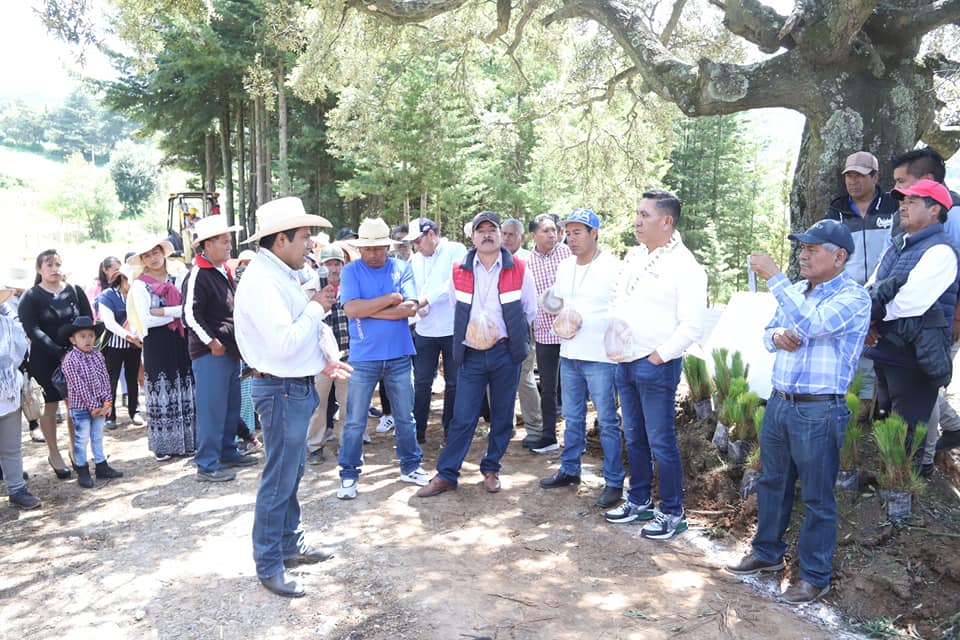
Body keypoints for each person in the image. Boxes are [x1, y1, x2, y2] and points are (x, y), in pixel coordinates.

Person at [727, 219, 871, 605]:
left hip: (819, 409)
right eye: (802, 247)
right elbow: (769, 331)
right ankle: (767, 554)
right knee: (772, 482)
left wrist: (775, 278)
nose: (803, 254)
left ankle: (814, 576)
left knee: (817, 496)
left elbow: (816, 324)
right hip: (781, 402)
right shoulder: (797, 291)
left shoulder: (854, 298)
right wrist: (775, 337)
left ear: (839, 257)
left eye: (813, 248)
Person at [235, 197, 349, 598]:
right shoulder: (263, 282)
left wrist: (321, 360)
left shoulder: (279, 274)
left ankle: (288, 543)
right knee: (280, 477)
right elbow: (283, 344)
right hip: (281, 388)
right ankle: (269, 562)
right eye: (304, 237)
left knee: (291, 471)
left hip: (291, 386)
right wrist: (317, 308)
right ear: (280, 239)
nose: (311, 245)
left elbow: (290, 340)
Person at [603, 190, 706, 540]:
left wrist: (659, 356)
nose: (637, 221)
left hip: (655, 364)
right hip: (626, 362)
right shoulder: (634, 257)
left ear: (666, 221)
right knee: (633, 435)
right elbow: (620, 299)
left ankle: (673, 511)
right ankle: (640, 499)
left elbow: (692, 325)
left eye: (645, 215)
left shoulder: (685, 266)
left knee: (661, 440)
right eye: (636, 213)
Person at [417, 211, 537, 497]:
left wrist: (507, 340)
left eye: (491, 230)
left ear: (500, 235)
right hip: (471, 354)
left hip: (505, 353)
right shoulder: (459, 269)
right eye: (480, 230)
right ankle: (447, 474)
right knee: (463, 416)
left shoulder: (519, 268)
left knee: (503, 415)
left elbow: (529, 310)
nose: (486, 234)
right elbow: (456, 308)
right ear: (472, 237)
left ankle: (491, 468)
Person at [863, 180, 960, 471]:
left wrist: (870, 317)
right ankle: (892, 492)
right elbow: (871, 287)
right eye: (902, 201)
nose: (903, 206)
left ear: (935, 211)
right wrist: (866, 318)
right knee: (890, 422)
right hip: (888, 348)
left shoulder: (941, 250)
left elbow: (910, 302)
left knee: (908, 432)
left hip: (915, 355)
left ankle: (906, 499)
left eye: (913, 201)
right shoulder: (898, 245)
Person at [336, 217, 429, 499]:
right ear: (360, 249)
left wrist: (368, 309)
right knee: (354, 420)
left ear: (386, 247)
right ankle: (349, 474)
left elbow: (410, 308)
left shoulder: (402, 266)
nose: (374, 254)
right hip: (364, 357)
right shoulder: (351, 271)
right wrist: (390, 298)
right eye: (369, 249)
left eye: (379, 248)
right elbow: (350, 309)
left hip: (400, 354)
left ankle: (410, 465)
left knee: (405, 417)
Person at [539, 208, 625, 508]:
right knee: (573, 417)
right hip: (570, 352)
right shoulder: (565, 266)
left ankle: (614, 482)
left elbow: (623, 307)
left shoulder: (613, 266)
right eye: (568, 232)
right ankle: (570, 469)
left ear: (594, 233)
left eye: (578, 232)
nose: (570, 239)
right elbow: (557, 301)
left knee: (608, 421)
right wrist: (554, 309)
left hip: (601, 356)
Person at [890, 148, 960, 462]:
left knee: (927, 385)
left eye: (906, 185)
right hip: (906, 330)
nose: (903, 198)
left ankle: (922, 463)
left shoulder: (953, 220)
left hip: (936, 325)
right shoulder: (909, 224)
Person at [182, 215, 258, 482]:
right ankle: (206, 464)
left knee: (229, 406)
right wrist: (210, 342)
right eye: (224, 241)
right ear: (208, 244)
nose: (229, 246)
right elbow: (190, 315)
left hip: (228, 351)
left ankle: (227, 451)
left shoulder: (223, 271)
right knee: (212, 409)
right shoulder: (198, 275)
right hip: (210, 353)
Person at [824, 151, 899, 418]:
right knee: (852, 356)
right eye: (849, 176)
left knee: (885, 358)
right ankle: (852, 416)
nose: (853, 182)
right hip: (849, 298)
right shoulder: (837, 210)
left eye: (860, 175)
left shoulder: (893, 206)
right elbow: (829, 256)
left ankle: (879, 415)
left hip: (888, 297)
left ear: (875, 177)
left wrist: (876, 309)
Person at [18, 249, 93, 479]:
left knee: (76, 406)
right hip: (45, 358)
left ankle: (76, 451)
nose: (54, 269)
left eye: (58, 264)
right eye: (49, 265)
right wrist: (59, 353)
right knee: (50, 406)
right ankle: (54, 454)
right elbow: (32, 330)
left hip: (76, 357)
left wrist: (81, 350)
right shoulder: (31, 296)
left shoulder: (74, 290)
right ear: (39, 269)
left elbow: (88, 320)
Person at [127, 237, 196, 461]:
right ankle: (164, 445)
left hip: (180, 338)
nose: (153, 258)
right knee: (162, 390)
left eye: (155, 252)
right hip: (156, 342)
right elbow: (147, 319)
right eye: (147, 255)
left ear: (162, 253)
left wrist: (164, 311)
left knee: (184, 385)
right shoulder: (140, 284)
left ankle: (187, 440)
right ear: (143, 260)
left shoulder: (178, 276)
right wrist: (176, 312)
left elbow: (190, 307)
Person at [408, 217, 467, 443]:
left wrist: (425, 300)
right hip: (425, 329)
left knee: (453, 381)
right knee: (421, 381)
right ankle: (418, 429)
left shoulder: (455, 250)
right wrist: (416, 306)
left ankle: (450, 429)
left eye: (419, 241)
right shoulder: (415, 260)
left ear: (431, 234)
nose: (416, 246)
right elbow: (412, 287)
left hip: (452, 327)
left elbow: (453, 283)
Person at [60, 316, 124, 489]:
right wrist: (93, 406)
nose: (87, 340)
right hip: (81, 408)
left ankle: (101, 465)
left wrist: (107, 403)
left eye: (90, 335)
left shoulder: (97, 356)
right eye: (82, 336)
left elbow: (105, 380)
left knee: (97, 436)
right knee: (81, 439)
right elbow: (79, 386)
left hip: (100, 407)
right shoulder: (70, 360)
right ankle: (82, 470)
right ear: (73, 340)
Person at [527, 213, 571, 453]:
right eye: (545, 231)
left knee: (574, 386)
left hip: (571, 331)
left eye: (554, 230)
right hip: (544, 332)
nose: (552, 234)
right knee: (548, 387)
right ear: (533, 235)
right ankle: (548, 436)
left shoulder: (567, 255)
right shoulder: (526, 263)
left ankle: (575, 439)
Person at [306, 244, 353, 464]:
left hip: (347, 355)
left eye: (337, 264)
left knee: (347, 403)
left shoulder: (351, 287)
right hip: (320, 359)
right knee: (318, 404)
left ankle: (346, 445)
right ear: (320, 266)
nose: (333, 269)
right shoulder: (309, 290)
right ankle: (315, 446)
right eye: (328, 264)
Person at [502, 218, 542, 447]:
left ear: (521, 237)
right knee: (497, 379)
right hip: (496, 331)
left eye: (511, 235)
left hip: (523, 328)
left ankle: (535, 428)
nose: (507, 238)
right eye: (504, 234)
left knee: (524, 378)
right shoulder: (494, 257)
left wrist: (524, 327)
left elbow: (531, 301)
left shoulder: (529, 260)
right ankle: (504, 426)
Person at [0, 286, 41, 509]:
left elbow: (21, 348)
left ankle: (16, 489)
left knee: (11, 445)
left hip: (7, 390)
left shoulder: (8, 322)